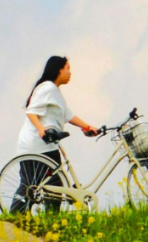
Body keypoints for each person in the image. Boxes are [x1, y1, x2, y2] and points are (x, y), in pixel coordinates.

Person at [11, 56, 99, 213]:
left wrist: (87, 127)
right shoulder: (47, 88)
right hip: (36, 146)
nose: (70, 73)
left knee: (54, 185)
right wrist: (40, 128)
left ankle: (49, 218)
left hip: (46, 145)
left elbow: (67, 114)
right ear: (59, 69)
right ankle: (16, 216)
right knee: (32, 184)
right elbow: (31, 111)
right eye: (68, 68)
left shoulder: (54, 91)